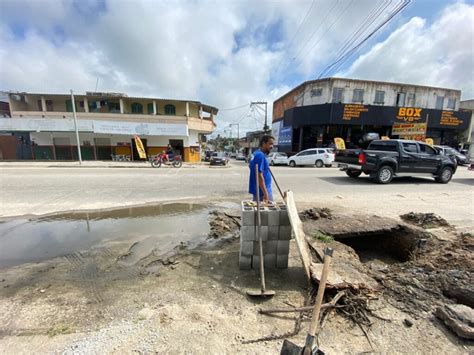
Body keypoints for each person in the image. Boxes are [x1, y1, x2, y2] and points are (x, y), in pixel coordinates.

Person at [249, 135, 274, 203]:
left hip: (259, 190)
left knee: (258, 211)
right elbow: (259, 176)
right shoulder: (260, 155)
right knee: (269, 212)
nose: (272, 146)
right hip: (262, 191)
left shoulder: (255, 153)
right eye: (270, 144)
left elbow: (250, 166)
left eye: (272, 144)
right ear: (263, 143)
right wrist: (266, 193)